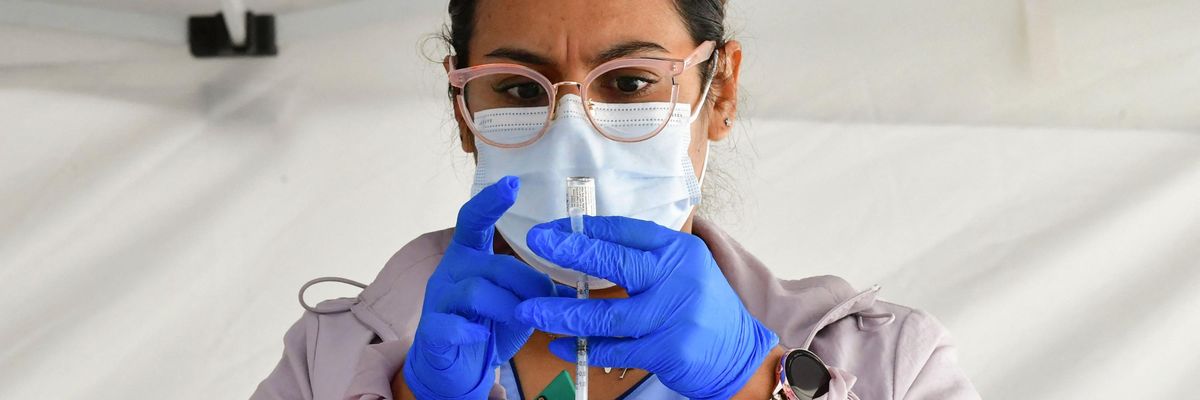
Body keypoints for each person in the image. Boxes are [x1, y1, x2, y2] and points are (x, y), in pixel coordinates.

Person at [252, 1, 981, 399]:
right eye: (514, 87)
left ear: (719, 92)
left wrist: (762, 389)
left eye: (630, 83)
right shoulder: (333, 360)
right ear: (462, 110)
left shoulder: (889, 367)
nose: (574, 136)